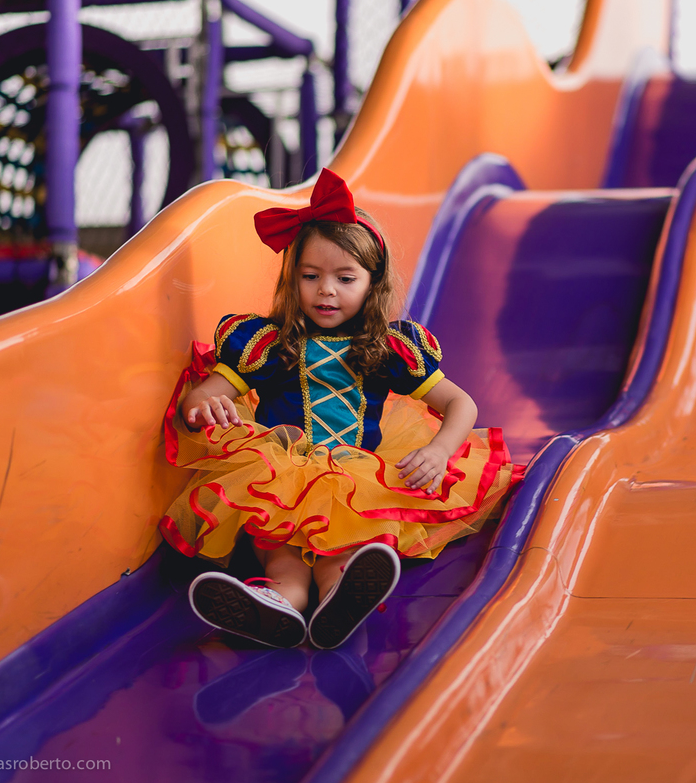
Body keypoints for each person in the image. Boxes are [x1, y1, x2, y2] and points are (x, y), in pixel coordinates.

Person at [158, 169, 524, 650]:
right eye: (311, 276)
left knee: (339, 554)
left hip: (354, 479)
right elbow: (199, 397)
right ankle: (277, 604)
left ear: (372, 284)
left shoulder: (387, 349)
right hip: (277, 477)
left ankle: (340, 600)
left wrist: (438, 451)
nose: (325, 290)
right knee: (283, 560)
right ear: (293, 279)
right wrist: (209, 407)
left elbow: (461, 403)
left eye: (344, 278)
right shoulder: (269, 344)